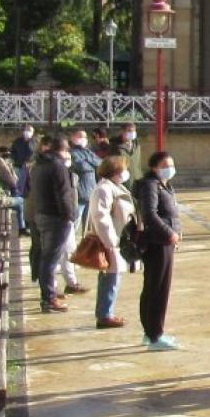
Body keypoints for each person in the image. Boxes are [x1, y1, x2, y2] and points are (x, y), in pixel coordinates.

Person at [134, 150, 182, 351]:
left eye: (171, 165)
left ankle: (151, 332)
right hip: (158, 242)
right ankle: (155, 334)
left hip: (166, 241)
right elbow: (150, 214)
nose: (169, 169)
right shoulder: (150, 185)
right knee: (157, 289)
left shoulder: (164, 186)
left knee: (156, 287)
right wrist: (169, 233)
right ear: (154, 167)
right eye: (164, 166)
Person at [28, 136, 77, 313]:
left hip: (41, 214)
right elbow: (63, 194)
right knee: (50, 259)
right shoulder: (58, 166)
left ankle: (49, 295)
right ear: (63, 150)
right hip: (56, 217)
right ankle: (48, 298)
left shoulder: (38, 165)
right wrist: (69, 216)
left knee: (46, 257)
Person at [87, 155, 135, 329]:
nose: (126, 173)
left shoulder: (116, 187)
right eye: (123, 169)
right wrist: (111, 241)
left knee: (113, 276)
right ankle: (105, 314)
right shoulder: (103, 189)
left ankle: (107, 312)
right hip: (111, 240)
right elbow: (101, 217)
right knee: (111, 277)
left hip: (119, 238)